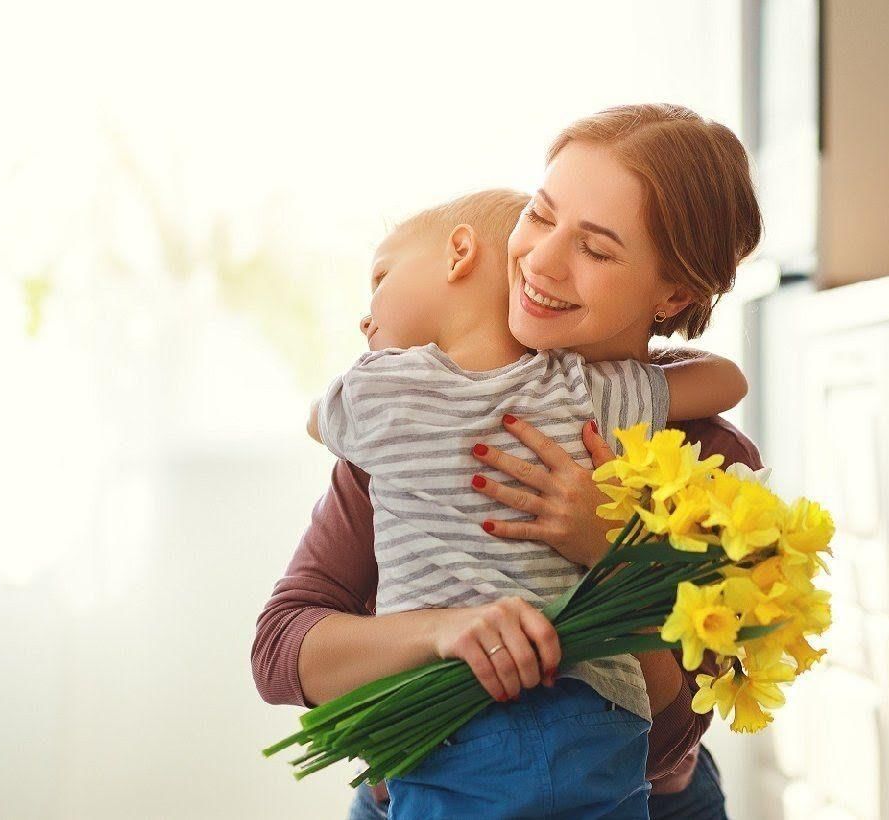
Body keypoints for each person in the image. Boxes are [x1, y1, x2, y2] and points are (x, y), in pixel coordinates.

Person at [253, 102, 763, 819]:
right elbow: (280, 652)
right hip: (414, 794)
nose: (541, 260)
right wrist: (440, 632)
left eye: (598, 247)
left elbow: (670, 735)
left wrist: (612, 554)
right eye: (542, 214)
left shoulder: (711, 463)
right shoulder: (429, 410)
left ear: (673, 292)